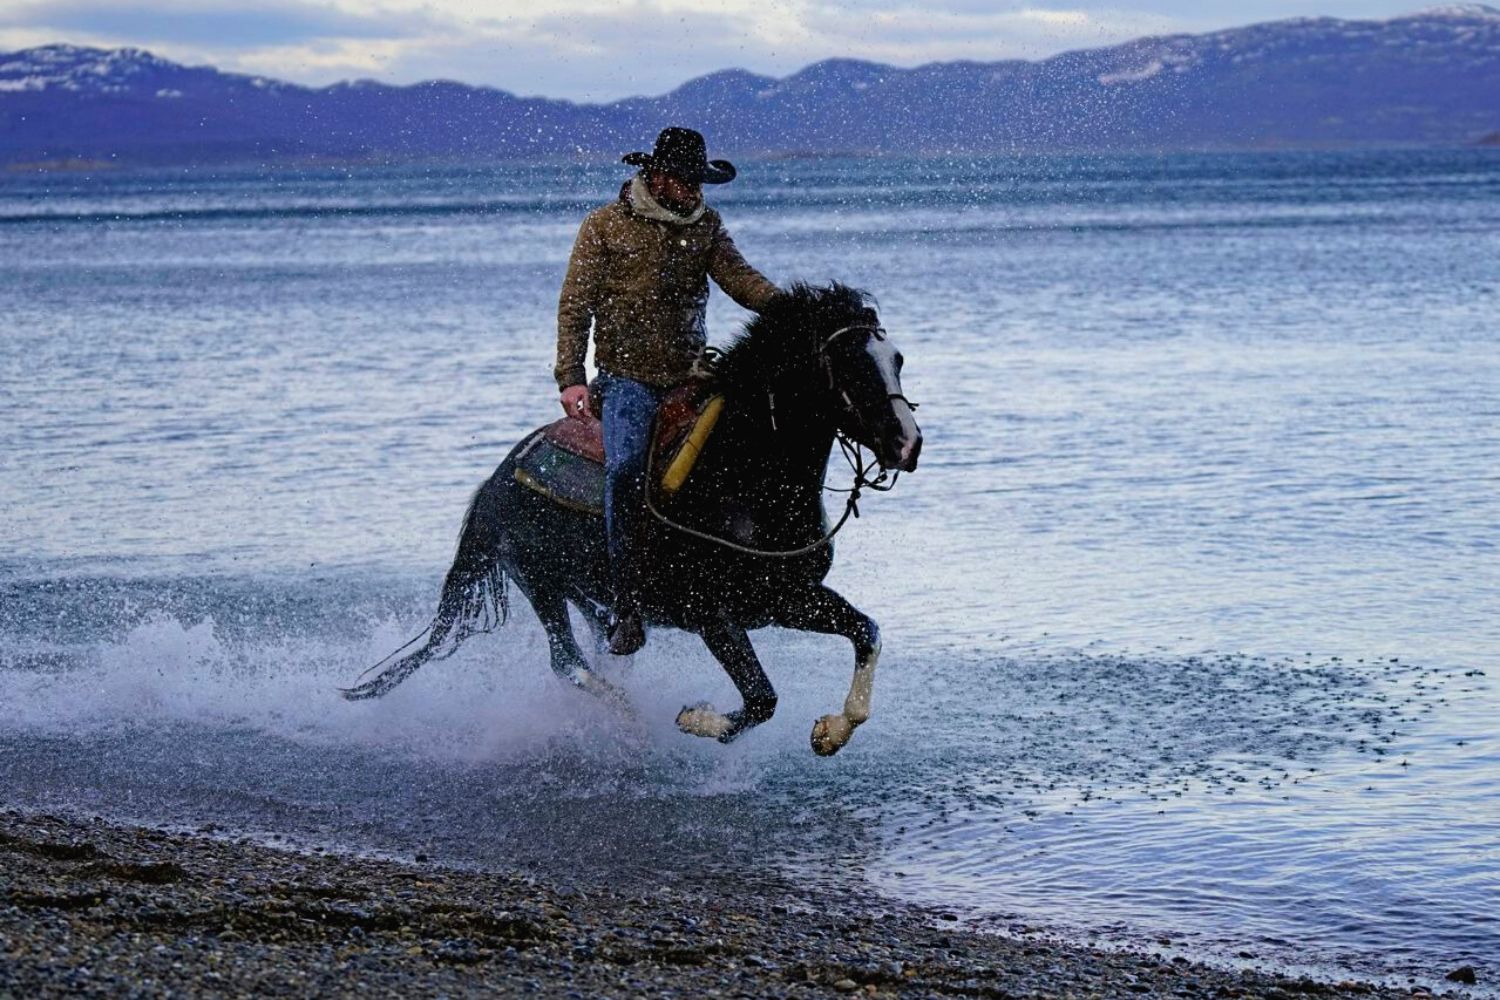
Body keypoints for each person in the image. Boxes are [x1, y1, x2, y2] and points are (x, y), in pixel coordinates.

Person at [554, 127, 780, 655]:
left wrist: (791, 308)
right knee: (628, 468)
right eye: (686, 181)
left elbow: (741, 279)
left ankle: (730, 569)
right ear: (658, 177)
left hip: (690, 375)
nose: (696, 191)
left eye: (700, 181)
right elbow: (575, 305)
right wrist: (571, 377)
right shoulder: (604, 226)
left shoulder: (705, 227)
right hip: (626, 379)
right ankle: (627, 601)